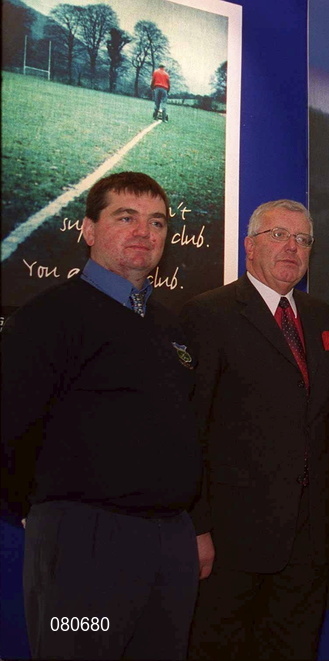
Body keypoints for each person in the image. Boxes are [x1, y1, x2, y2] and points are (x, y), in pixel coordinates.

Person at [0, 171, 201, 659]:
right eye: (125, 217)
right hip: (84, 545)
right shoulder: (49, 317)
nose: (144, 232)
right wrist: (47, 515)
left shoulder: (169, 325)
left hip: (169, 546)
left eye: (157, 222)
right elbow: (10, 427)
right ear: (88, 230)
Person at [182, 200, 329, 660]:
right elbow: (193, 430)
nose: (292, 247)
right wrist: (197, 526)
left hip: (309, 540)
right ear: (249, 246)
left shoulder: (320, 318)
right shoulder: (208, 314)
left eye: (303, 239)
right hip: (234, 541)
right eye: (279, 235)